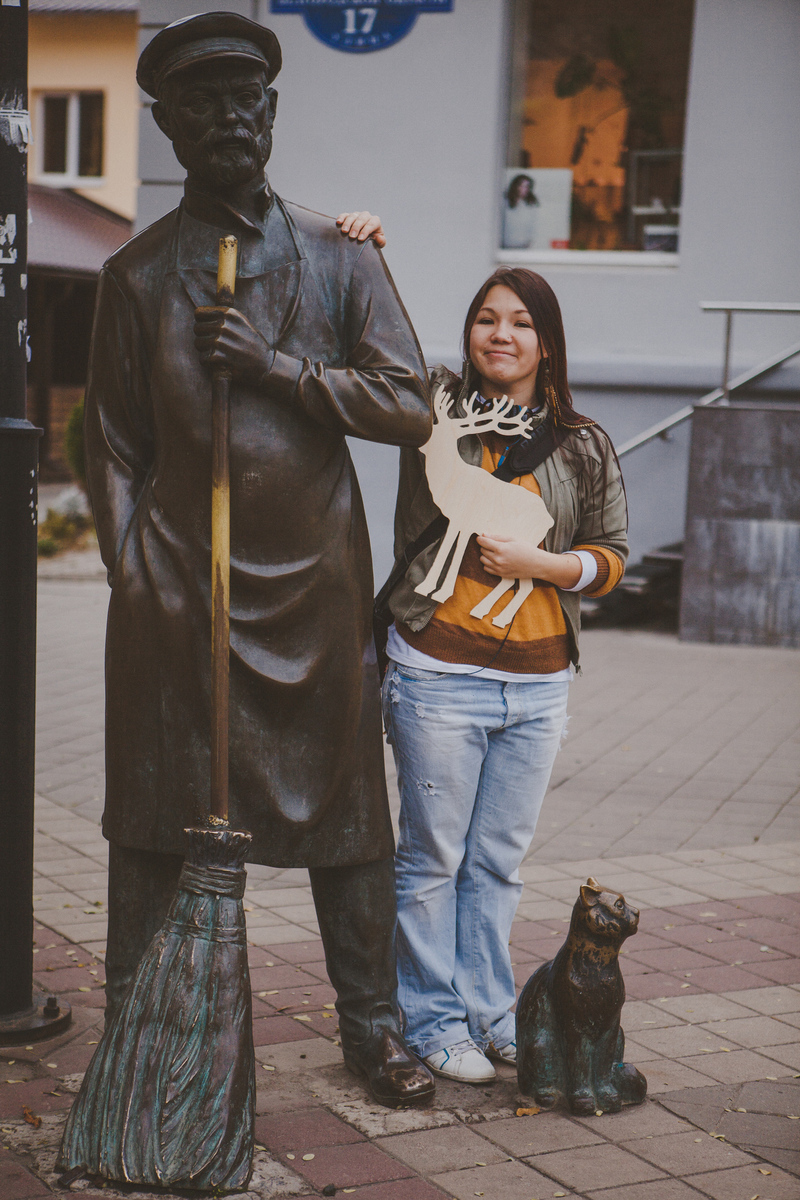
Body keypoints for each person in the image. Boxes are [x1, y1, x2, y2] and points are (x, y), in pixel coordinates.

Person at [87, 14, 435, 1109]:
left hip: (314, 591)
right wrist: (130, 569)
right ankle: (137, 1030)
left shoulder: (340, 258)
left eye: (250, 101)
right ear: (169, 127)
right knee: (154, 823)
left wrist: (277, 367)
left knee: (348, 824)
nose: (232, 118)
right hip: (180, 592)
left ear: (274, 116)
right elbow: (108, 444)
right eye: (205, 104)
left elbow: (409, 404)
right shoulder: (135, 276)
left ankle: (371, 1027)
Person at [340, 213, 628, 1082]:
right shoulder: (428, 403)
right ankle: (431, 1020)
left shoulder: (581, 443)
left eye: (521, 322)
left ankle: (491, 1010)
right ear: (468, 333)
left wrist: (542, 564)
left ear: (547, 343)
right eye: (486, 319)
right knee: (432, 858)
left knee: (497, 862)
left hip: (538, 688)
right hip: (437, 679)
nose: (501, 335)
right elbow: (367, 343)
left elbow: (613, 556)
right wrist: (364, 253)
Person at [502, 173, 539, 249]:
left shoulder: (530, 204)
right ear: (515, 186)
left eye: (526, 187)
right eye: (521, 186)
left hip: (523, 246)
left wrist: (530, 241)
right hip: (505, 246)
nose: (524, 189)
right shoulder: (504, 202)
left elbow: (533, 225)